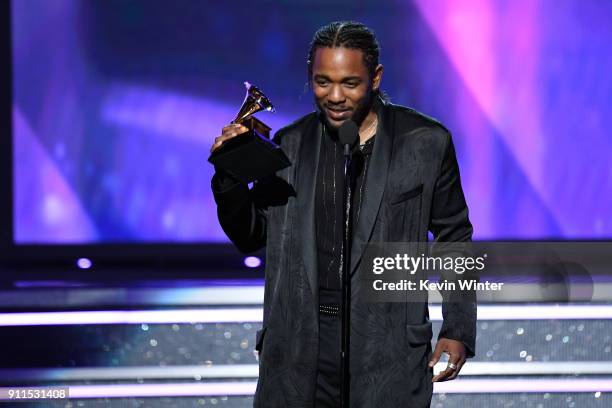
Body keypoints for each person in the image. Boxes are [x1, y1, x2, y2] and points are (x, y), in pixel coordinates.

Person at [211, 21, 476, 408]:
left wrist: (458, 327)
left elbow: (455, 239)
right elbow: (251, 235)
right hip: (300, 355)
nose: (335, 96)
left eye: (349, 83)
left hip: (387, 352)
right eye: (323, 82)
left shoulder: (425, 143)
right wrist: (229, 175)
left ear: (376, 78)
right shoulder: (291, 144)